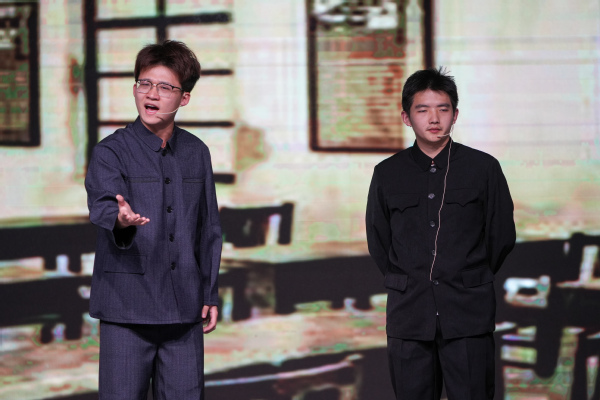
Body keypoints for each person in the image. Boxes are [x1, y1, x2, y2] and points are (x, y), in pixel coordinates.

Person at [366, 67, 516, 399]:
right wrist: (409, 278)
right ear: (406, 118)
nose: (434, 118)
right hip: (409, 315)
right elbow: (379, 240)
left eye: (443, 109)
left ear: (455, 115)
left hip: (468, 312)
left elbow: (501, 236)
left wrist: (467, 274)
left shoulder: (483, 168)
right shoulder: (387, 173)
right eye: (422, 110)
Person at [85, 40, 222, 399]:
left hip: (185, 308)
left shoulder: (196, 152)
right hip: (127, 308)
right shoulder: (110, 151)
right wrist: (121, 220)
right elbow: (103, 206)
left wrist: (209, 293)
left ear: (184, 98)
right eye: (144, 83)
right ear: (135, 88)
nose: (152, 94)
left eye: (165, 87)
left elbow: (208, 228)